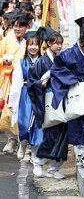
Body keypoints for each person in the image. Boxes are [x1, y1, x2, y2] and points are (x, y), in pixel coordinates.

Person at [50, 17, 84, 169]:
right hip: (77, 92)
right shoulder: (68, 54)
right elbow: (57, 69)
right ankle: (82, 154)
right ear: (80, 41)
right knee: (80, 123)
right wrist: (71, 79)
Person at [27, 26, 66, 179]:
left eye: (61, 43)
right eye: (56, 43)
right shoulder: (41, 62)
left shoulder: (61, 59)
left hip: (61, 101)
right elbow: (31, 83)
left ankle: (54, 168)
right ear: (49, 43)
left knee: (64, 135)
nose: (59, 46)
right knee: (50, 135)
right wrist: (40, 85)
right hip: (47, 102)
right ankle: (38, 161)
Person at [8, 31, 41, 162]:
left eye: (36, 45)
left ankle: (34, 153)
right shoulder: (21, 63)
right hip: (25, 94)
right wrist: (12, 102)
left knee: (37, 125)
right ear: (26, 46)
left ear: (40, 46)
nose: (33, 47)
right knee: (24, 122)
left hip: (39, 94)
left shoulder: (43, 61)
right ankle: (22, 144)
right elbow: (16, 84)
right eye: (30, 45)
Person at [0, 12, 29, 153]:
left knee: (23, 110)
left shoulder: (30, 41)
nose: (17, 29)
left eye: (21, 26)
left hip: (24, 80)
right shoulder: (6, 40)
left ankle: (22, 140)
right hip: (9, 79)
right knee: (8, 109)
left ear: (26, 27)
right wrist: (4, 61)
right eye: (15, 26)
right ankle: (11, 139)